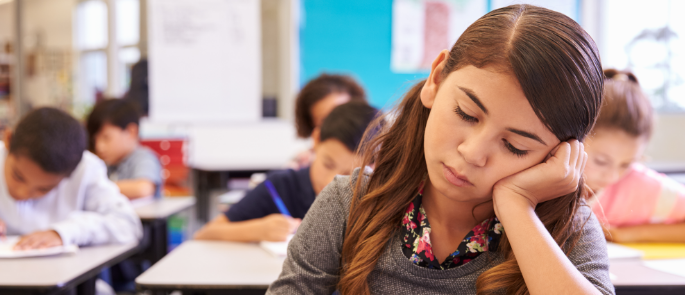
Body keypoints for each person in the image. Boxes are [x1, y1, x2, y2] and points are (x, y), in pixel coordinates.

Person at [267, 5, 613, 295]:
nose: (472, 152)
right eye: (466, 113)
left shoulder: (568, 229)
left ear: (558, 156)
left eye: (514, 146)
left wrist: (517, 207)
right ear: (435, 79)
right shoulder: (350, 203)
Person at [194, 102, 380, 242]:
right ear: (315, 140)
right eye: (328, 164)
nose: (334, 180)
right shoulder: (281, 185)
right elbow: (205, 233)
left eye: (351, 175)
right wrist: (259, 230)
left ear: (375, 165)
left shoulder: (377, 198)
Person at [0, 107, 142, 249]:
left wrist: (63, 233)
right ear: (8, 140)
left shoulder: (85, 168)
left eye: (44, 189)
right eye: (17, 176)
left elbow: (127, 224)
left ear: (71, 173)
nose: (22, 193)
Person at [586, 69, 685, 243]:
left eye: (626, 164)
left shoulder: (638, 184)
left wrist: (623, 234)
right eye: (601, 162)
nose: (613, 176)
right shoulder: (541, 176)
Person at [87, 99, 163, 199]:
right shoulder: (107, 164)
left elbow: (143, 189)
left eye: (106, 138)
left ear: (131, 132)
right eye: (94, 140)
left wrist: (96, 188)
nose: (99, 147)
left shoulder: (144, 157)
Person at [289, 74, 367, 169]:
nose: (339, 123)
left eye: (343, 113)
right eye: (325, 119)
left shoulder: (376, 159)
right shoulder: (299, 167)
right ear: (313, 128)